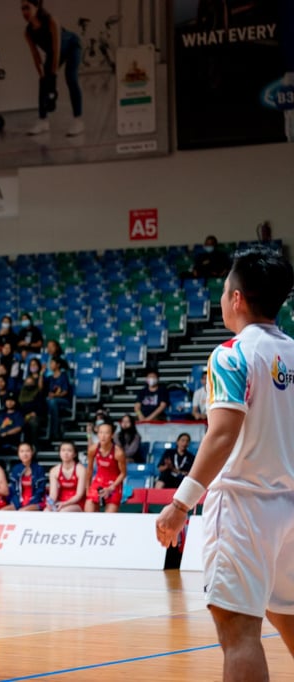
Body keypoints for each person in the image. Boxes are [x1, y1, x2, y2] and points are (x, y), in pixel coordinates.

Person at [155, 248, 294, 682]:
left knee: (238, 634)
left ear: (236, 299)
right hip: (290, 506)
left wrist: (180, 505)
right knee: (290, 621)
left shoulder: (231, 354)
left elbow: (222, 433)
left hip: (244, 507)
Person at [22, 0, 84, 136]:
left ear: (37, 7)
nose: (24, 12)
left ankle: (78, 121)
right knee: (43, 82)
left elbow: (56, 50)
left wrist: (53, 81)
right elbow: (37, 58)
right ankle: (43, 121)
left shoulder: (51, 21)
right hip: (54, 52)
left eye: (27, 7)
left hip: (71, 46)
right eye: (22, 9)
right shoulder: (28, 32)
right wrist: (44, 79)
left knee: (71, 78)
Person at [84, 422, 127, 513]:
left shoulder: (118, 452)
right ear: (98, 434)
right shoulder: (93, 449)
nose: (103, 436)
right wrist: (87, 488)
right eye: (101, 432)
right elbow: (89, 470)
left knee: (109, 520)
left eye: (106, 433)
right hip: (98, 482)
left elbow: (123, 473)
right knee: (88, 515)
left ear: (112, 435)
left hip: (113, 484)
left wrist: (111, 487)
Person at [7, 441, 48, 511]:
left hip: (36, 501)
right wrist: (17, 504)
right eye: (22, 451)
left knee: (23, 511)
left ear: (32, 452)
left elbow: (40, 491)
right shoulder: (16, 469)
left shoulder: (39, 469)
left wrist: (29, 504)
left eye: (27, 451)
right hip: (19, 502)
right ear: (18, 454)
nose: (25, 454)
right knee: (3, 511)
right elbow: (13, 490)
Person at [46, 441, 86, 512]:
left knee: (63, 511)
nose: (66, 453)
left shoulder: (81, 469)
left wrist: (65, 504)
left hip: (77, 503)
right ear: (60, 453)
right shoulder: (54, 470)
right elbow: (53, 493)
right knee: (46, 511)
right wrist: (50, 503)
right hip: (61, 501)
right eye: (63, 450)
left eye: (69, 450)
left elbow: (79, 494)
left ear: (74, 454)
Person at [44, 357, 73, 441]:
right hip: (51, 400)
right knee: (49, 402)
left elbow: (65, 392)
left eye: (52, 363)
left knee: (52, 402)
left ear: (58, 365)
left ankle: (54, 432)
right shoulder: (50, 378)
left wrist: (55, 396)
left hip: (64, 401)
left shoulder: (63, 375)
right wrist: (41, 373)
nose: (50, 365)